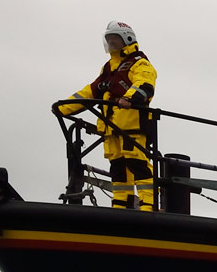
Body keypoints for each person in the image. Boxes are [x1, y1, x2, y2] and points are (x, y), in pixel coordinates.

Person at [55, 21, 158, 210]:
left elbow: (145, 84)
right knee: (118, 168)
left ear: (126, 39)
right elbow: (90, 92)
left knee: (138, 164)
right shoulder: (109, 68)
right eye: (109, 40)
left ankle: (148, 205)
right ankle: (120, 205)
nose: (111, 43)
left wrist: (129, 98)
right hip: (112, 128)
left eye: (115, 39)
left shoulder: (140, 63)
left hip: (132, 127)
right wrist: (64, 107)